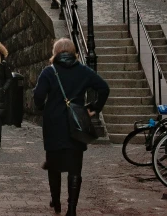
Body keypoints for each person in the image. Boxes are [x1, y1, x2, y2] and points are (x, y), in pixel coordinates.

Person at [32, 38, 110, 216]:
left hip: (53, 125)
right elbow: (104, 88)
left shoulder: (49, 72)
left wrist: (45, 108)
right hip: (77, 124)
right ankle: (72, 209)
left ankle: (56, 202)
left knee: (53, 165)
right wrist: (92, 108)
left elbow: (38, 97)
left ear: (55, 52)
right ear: (73, 52)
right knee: (75, 167)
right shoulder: (83, 71)